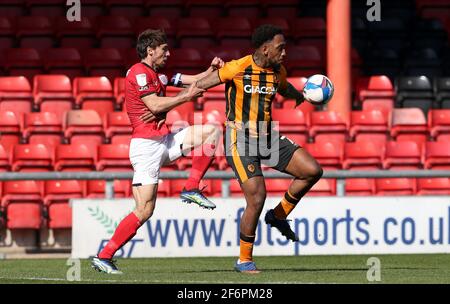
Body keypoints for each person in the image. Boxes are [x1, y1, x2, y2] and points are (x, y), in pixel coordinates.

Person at [91, 29, 223, 274]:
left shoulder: (158, 75)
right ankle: (104, 255)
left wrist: (213, 71)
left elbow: (192, 80)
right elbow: (154, 104)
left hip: (163, 140)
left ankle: (192, 187)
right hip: (146, 147)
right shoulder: (139, 72)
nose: (168, 53)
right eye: (164, 49)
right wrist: (186, 97)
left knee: (212, 132)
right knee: (144, 210)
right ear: (150, 50)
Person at [194, 24, 324, 273]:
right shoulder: (238, 67)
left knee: (312, 170)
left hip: (267, 137)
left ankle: (278, 215)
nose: (284, 52)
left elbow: (283, 87)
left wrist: (298, 96)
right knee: (256, 197)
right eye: (280, 48)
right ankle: (244, 259)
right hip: (239, 138)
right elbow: (203, 84)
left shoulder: (278, 71)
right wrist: (174, 89)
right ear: (265, 49)